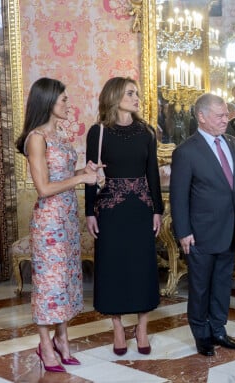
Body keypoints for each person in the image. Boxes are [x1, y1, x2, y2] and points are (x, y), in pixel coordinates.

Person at [15, 78, 98, 372]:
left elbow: (63, 174)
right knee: (49, 286)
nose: (68, 104)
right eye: (63, 99)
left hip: (67, 219)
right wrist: (80, 179)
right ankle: (45, 345)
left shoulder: (60, 134)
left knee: (67, 282)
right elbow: (44, 188)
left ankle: (63, 339)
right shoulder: (36, 138)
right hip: (49, 223)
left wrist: (83, 170)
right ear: (48, 101)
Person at [85, 77, 164, 356]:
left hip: (141, 208)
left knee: (143, 267)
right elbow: (90, 174)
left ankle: (142, 327)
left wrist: (157, 210)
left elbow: (152, 173)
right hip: (110, 210)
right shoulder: (98, 132)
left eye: (137, 93)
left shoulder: (146, 132)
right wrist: (88, 212)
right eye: (130, 93)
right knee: (112, 267)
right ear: (115, 96)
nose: (136, 97)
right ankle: (117, 327)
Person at [170, 93, 235, 357]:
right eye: (220, 115)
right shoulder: (186, 151)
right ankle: (201, 334)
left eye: (227, 114)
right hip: (199, 233)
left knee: (223, 284)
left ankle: (218, 329)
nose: (226, 119)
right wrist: (183, 232)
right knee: (200, 287)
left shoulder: (232, 145)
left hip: (229, 228)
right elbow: (178, 196)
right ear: (201, 117)